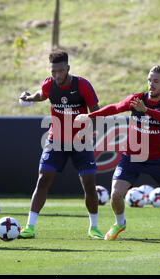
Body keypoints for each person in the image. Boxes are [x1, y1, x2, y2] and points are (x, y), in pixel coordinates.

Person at [75, 65, 160, 241]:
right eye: (150, 80)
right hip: (132, 156)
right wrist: (90, 116)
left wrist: (146, 111)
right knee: (115, 194)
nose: (152, 84)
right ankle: (120, 223)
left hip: (157, 160)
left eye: (156, 81)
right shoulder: (136, 99)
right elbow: (114, 108)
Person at [18, 50, 103, 239]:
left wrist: (90, 129)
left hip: (80, 142)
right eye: (53, 71)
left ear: (68, 69)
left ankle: (94, 227)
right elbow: (43, 94)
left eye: (60, 71)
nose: (57, 75)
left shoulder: (82, 86)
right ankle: (29, 227)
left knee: (89, 184)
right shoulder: (49, 84)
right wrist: (30, 97)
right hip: (55, 140)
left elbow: (96, 111)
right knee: (43, 179)